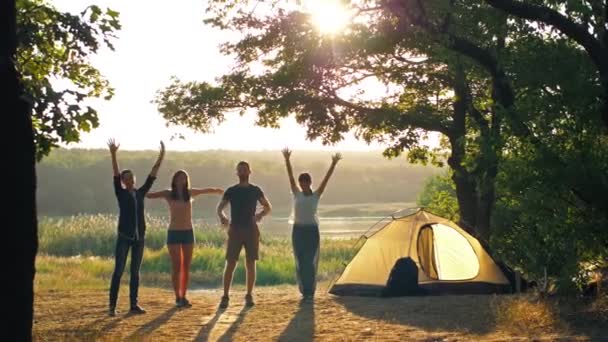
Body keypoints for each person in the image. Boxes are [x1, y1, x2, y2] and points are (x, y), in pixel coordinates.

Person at [146, 170, 223, 308]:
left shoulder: (190, 193)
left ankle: (183, 296)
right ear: (174, 180)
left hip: (188, 232)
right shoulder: (168, 194)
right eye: (179, 178)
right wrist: (135, 191)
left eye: (184, 178)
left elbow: (206, 190)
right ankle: (177, 297)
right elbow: (149, 195)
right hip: (174, 233)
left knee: (186, 266)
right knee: (177, 266)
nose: (182, 181)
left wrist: (218, 191)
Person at [107, 139, 165, 316]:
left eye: (132, 177)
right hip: (124, 237)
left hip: (139, 238)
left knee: (135, 273)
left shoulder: (140, 193)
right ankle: (112, 307)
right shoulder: (120, 193)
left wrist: (161, 156)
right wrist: (113, 154)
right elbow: (115, 175)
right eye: (127, 178)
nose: (130, 179)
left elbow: (152, 176)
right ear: (124, 182)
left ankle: (133, 305)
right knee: (118, 271)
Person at [282, 148, 341, 301]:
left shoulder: (316, 195)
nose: (302, 184)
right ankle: (304, 290)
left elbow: (326, 180)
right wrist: (287, 160)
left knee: (310, 261)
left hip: (312, 231)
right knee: (300, 260)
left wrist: (333, 164)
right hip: (298, 230)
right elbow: (290, 177)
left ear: (309, 183)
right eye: (301, 182)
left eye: (305, 182)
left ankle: (310, 289)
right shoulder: (296, 193)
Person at [217, 161, 272, 308]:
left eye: (244, 170)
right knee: (231, 262)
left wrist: (260, 215)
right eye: (239, 170)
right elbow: (220, 208)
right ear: (237, 173)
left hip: (251, 230)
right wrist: (222, 216)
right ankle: (225, 296)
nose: (242, 172)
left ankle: (249, 295)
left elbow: (267, 207)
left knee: (250, 263)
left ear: (249, 172)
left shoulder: (255, 190)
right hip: (235, 229)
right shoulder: (231, 190)